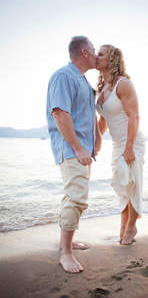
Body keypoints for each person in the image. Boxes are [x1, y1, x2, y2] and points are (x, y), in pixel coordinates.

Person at [46, 36, 101, 273]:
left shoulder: (86, 84)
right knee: (78, 197)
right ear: (85, 52)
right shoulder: (63, 76)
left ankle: (65, 241)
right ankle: (66, 253)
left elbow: (90, 117)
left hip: (84, 150)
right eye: (94, 49)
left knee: (73, 197)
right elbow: (60, 113)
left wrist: (96, 141)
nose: (97, 53)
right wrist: (78, 148)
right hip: (71, 148)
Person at [96, 45, 145, 245]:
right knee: (122, 187)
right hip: (118, 144)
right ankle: (124, 224)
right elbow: (103, 121)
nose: (96, 56)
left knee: (133, 185)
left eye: (101, 54)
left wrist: (129, 148)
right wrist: (96, 141)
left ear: (112, 59)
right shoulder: (102, 89)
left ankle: (131, 227)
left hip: (132, 142)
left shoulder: (124, 84)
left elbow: (134, 117)